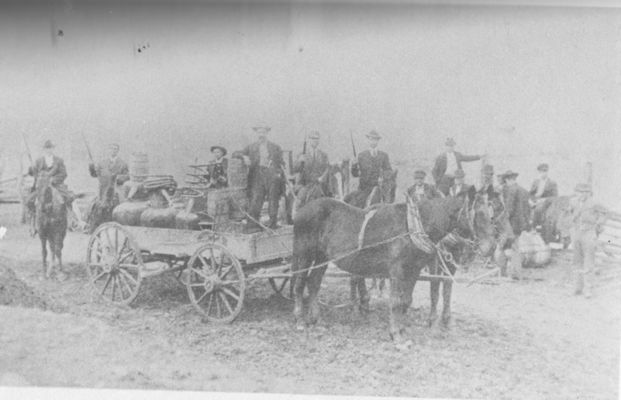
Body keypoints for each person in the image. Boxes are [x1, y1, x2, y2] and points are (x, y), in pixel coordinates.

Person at [237, 124, 285, 232]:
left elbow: (282, 162)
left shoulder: (275, 147)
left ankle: (273, 224)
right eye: (259, 132)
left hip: (272, 176)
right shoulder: (251, 147)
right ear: (256, 134)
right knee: (256, 199)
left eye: (263, 132)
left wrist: (277, 173)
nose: (261, 135)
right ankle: (253, 225)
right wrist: (244, 157)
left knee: (273, 200)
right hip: (257, 175)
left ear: (267, 133)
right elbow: (237, 154)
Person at [567, 183, 607, 298]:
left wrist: (599, 224)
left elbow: (604, 213)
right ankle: (577, 287)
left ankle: (588, 289)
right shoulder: (573, 202)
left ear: (588, 193)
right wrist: (571, 227)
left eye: (584, 192)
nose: (581, 195)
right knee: (576, 261)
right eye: (579, 192)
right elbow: (569, 214)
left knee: (589, 262)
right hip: (576, 233)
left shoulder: (594, 203)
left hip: (589, 233)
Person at [497, 170, 531, 279]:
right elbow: (528, 210)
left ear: (507, 180)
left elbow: (509, 210)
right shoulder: (524, 191)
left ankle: (502, 272)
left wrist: (500, 220)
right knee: (516, 248)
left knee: (500, 247)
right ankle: (516, 273)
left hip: (509, 225)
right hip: (519, 225)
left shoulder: (511, 190)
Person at [27, 140, 73, 208]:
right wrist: (31, 169)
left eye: (50, 148)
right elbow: (33, 173)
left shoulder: (59, 160)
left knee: (68, 198)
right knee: (29, 201)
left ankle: (68, 215)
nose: (49, 150)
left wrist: (53, 180)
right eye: (47, 148)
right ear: (44, 149)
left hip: (56, 185)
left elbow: (63, 174)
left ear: (53, 149)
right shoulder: (38, 161)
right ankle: (32, 217)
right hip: (41, 186)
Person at [292, 131, 330, 212]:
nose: (315, 141)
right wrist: (299, 161)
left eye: (317, 139)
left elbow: (327, 169)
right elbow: (294, 169)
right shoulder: (301, 154)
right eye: (313, 138)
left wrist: (322, 178)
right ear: (309, 140)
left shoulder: (323, 155)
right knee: (301, 201)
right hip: (304, 184)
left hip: (318, 184)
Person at [351, 130, 392, 195]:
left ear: (378, 141)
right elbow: (355, 174)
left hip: (378, 190)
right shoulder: (361, 156)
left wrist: (382, 178)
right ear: (368, 140)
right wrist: (354, 166)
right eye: (371, 139)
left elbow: (389, 171)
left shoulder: (383, 156)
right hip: (363, 189)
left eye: (375, 139)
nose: (373, 141)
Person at [89, 143, 129, 207]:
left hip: (116, 192)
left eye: (115, 149)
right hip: (103, 192)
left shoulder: (123, 164)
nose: (113, 150)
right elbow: (94, 175)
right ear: (108, 150)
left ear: (118, 151)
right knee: (94, 207)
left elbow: (127, 176)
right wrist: (91, 167)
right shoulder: (101, 163)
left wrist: (119, 179)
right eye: (111, 148)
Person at [529, 163, 558, 230]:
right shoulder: (535, 182)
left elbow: (555, 196)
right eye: (541, 172)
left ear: (547, 172)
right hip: (535, 200)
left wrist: (543, 200)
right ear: (539, 172)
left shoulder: (552, 183)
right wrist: (530, 200)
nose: (543, 173)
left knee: (538, 209)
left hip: (545, 202)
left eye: (545, 171)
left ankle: (535, 225)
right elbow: (531, 193)